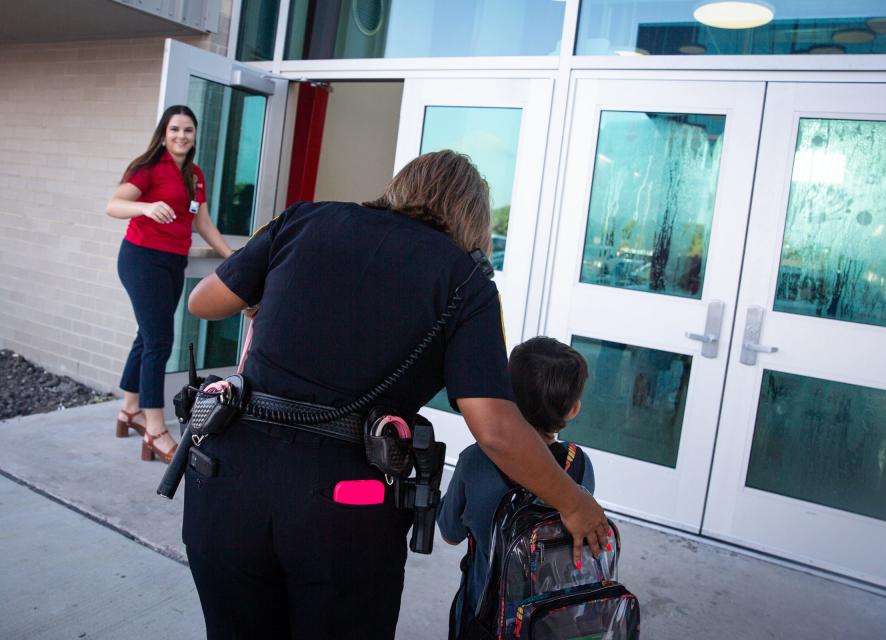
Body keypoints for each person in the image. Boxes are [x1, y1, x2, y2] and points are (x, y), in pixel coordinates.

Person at [184, 150, 609, 639]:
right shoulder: (465, 280)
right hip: (343, 507)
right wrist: (574, 501)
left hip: (224, 480)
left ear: (402, 187)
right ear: (471, 218)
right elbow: (496, 429)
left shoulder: (304, 218)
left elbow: (204, 302)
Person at [438, 336, 596, 635]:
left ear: (506, 394)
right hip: (551, 618)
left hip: (483, 616)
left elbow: (450, 533)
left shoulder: (476, 460)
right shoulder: (579, 464)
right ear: (573, 409)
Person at [106, 105, 234, 463]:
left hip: (172, 262)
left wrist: (232, 257)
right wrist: (145, 208)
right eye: (175, 129)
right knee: (160, 340)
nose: (181, 136)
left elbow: (203, 223)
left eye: (188, 130)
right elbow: (113, 205)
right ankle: (154, 427)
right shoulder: (146, 168)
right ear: (164, 133)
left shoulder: (195, 174)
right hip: (141, 259)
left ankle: (128, 411)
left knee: (146, 336)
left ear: (194, 136)